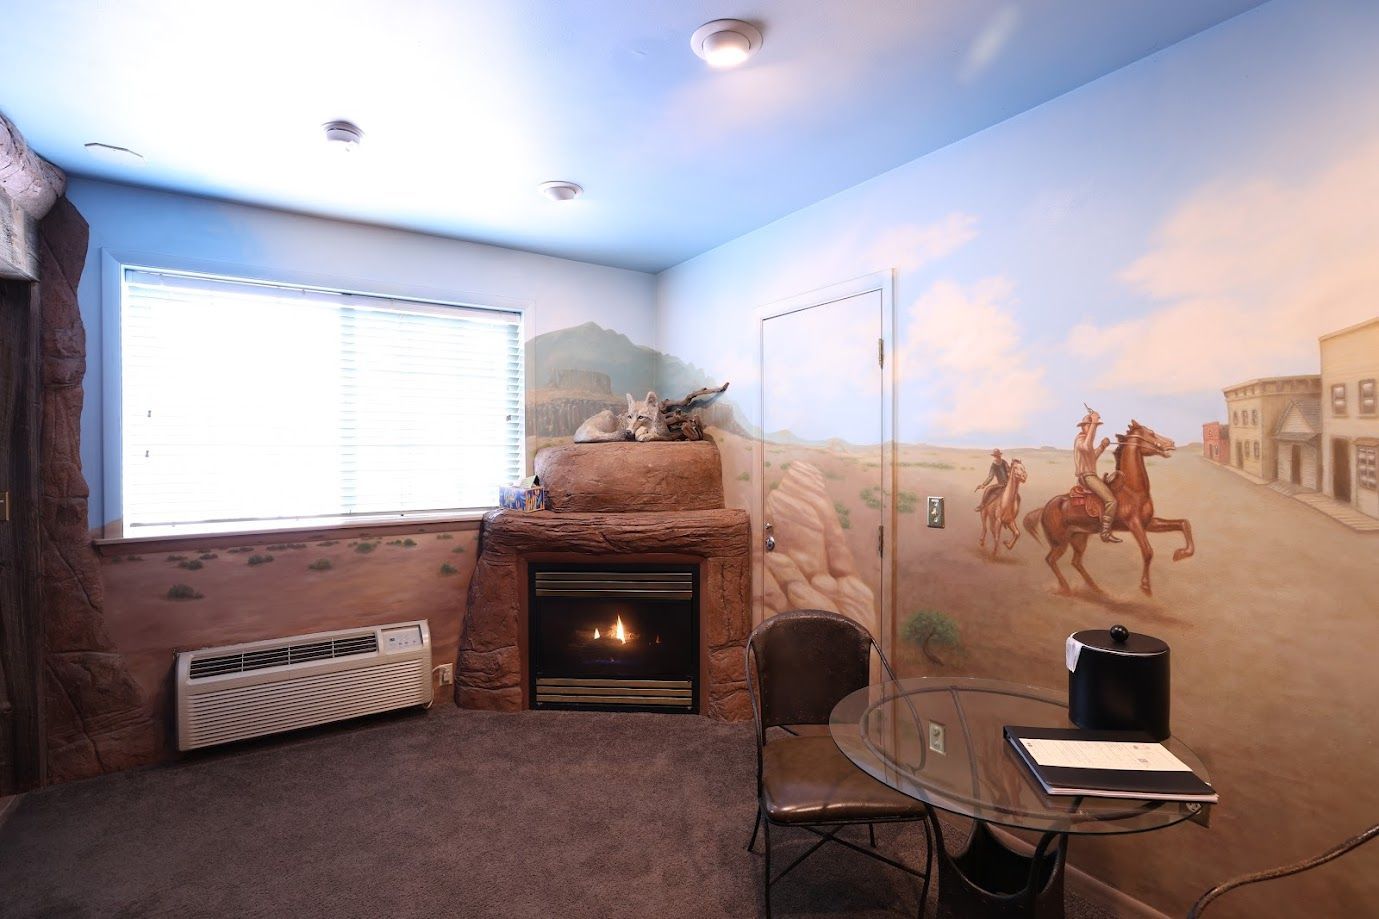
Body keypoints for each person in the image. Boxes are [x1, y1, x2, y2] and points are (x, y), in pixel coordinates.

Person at [1074, 406, 1121, 543]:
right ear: (1084, 426)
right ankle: (1105, 533)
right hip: (1087, 477)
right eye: (1089, 425)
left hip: (1090, 475)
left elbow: (1092, 457)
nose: (1092, 428)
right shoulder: (1081, 439)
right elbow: (1087, 447)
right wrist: (1094, 423)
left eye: (1093, 426)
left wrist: (1102, 446)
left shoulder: (1085, 440)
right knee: (1111, 500)